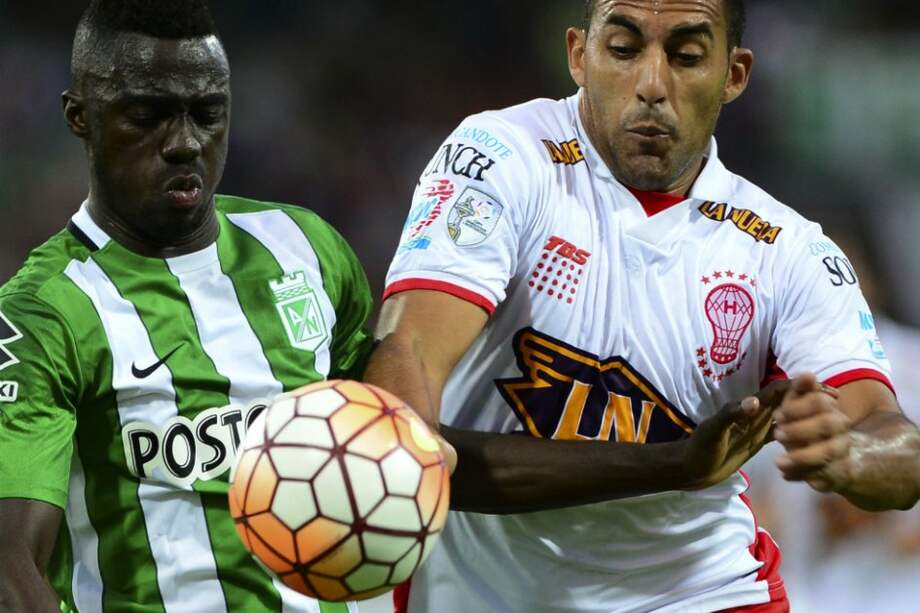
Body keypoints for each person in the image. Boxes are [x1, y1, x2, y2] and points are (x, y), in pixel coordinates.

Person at [363, 1, 920, 611]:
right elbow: (411, 346)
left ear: (734, 74)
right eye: (624, 50)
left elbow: (894, 440)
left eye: (685, 56)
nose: (652, 85)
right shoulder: (504, 156)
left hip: (703, 592)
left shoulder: (786, 251)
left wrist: (851, 453)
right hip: (479, 595)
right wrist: (393, 466)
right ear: (579, 55)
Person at [0, 1, 371, 612]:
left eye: (208, 114)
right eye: (146, 116)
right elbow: (10, 565)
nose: (184, 143)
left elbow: (397, 435)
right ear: (80, 117)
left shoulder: (305, 246)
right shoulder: (45, 314)